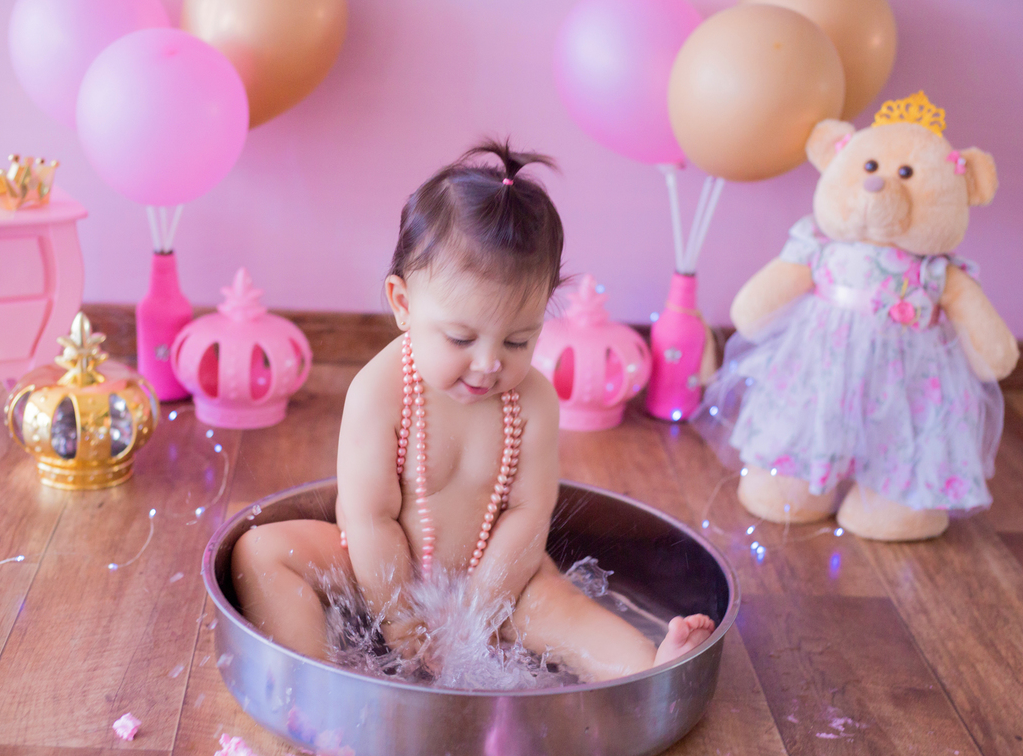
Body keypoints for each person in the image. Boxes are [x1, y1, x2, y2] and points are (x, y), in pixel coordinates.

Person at [232, 140, 714, 682]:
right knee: (260, 551)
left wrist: (481, 610)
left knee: (562, 607)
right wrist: (397, 615)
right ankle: (314, 674)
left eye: (517, 341)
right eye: (461, 337)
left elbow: (528, 514)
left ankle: (647, 668)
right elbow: (367, 515)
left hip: (496, 579)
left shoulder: (531, 401)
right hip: (377, 573)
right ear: (403, 304)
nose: (488, 365)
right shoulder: (380, 390)